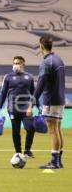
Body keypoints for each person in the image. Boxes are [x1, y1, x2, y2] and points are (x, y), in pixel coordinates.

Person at [27, 36, 65, 169]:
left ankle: (54, 161)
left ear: (41, 46)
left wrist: (31, 104)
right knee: (58, 129)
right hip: (60, 99)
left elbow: (40, 85)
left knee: (52, 130)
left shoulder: (46, 62)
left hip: (50, 100)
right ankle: (59, 160)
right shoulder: (59, 59)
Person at [0, 56, 36, 157]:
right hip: (13, 107)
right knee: (16, 131)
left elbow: (34, 93)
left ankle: (27, 150)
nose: (16, 65)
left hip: (26, 107)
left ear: (23, 64)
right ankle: (18, 152)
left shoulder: (29, 77)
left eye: (18, 63)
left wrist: (36, 106)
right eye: (14, 63)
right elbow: (3, 93)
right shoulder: (8, 77)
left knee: (31, 128)